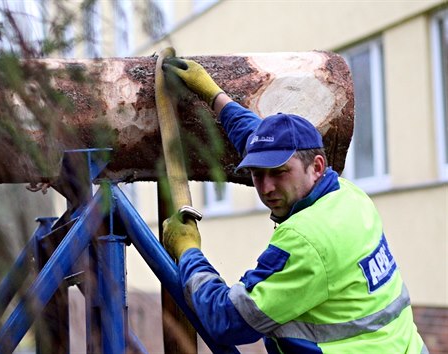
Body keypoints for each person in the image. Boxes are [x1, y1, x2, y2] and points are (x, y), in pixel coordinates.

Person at [160, 57, 428, 354]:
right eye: (257, 174)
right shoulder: (349, 196)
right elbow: (255, 137)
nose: (266, 188)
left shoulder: (306, 239)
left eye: (279, 173)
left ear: (316, 166)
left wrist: (188, 252)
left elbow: (228, 320)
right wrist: (214, 95)